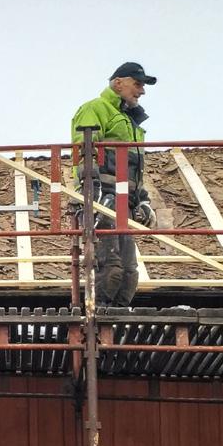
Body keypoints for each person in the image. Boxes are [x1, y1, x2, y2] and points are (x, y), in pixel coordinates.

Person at [71, 62, 158, 307]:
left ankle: (117, 322)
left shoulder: (131, 121)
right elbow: (84, 149)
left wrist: (142, 199)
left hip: (124, 203)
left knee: (129, 274)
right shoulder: (95, 108)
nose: (141, 91)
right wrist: (92, 191)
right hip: (104, 200)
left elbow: (135, 166)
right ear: (118, 82)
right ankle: (98, 319)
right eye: (137, 84)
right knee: (111, 268)